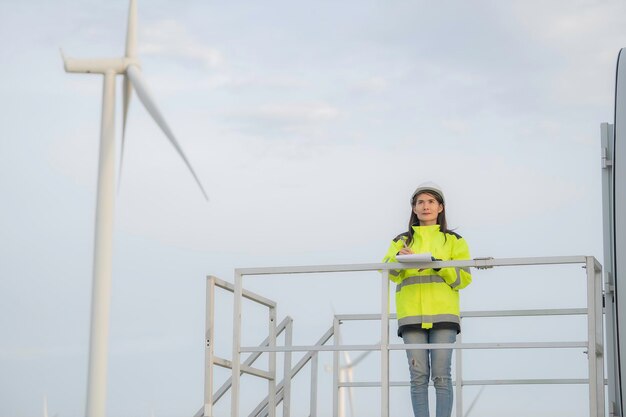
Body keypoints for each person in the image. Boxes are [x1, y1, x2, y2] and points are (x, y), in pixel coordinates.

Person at [382, 181, 472, 417]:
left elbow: (464, 279)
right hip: (411, 316)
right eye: (420, 202)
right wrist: (398, 258)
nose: (425, 206)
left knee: (442, 375)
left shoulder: (454, 241)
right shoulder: (400, 241)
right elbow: (388, 273)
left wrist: (439, 266)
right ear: (413, 208)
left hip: (444, 315)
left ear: (440, 207)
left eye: (431, 201)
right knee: (418, 376)